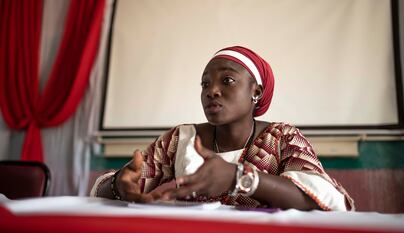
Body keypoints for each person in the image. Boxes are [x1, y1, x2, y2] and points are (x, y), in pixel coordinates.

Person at [91, 46, 355, 211]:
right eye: (205, 84)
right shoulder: (181, 139)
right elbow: (120, 186)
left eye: (227, 80)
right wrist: (119, 184)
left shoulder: (282, 138)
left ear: (256, 91)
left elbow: (325, 201)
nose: (212, 91)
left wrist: (237, 177)